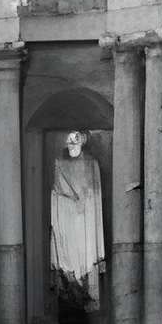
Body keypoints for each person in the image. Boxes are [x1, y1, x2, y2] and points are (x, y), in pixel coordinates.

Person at [49, 129, 106, 313]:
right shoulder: (59, 164)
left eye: (76, 141)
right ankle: (71, 292)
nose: (72, 145)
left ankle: (84, 295)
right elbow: (56, 192)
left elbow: (94, 196)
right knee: (67, 257)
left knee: (84, 256)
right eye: (69, 142)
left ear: (82, 142)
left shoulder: (91, 164)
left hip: (85, 220)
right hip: (66, 217)